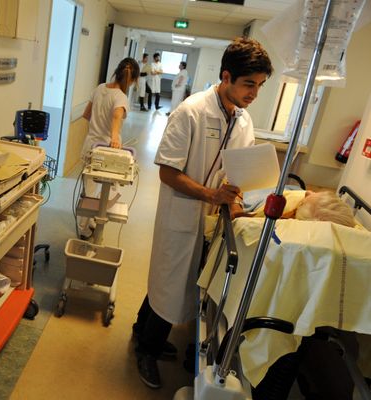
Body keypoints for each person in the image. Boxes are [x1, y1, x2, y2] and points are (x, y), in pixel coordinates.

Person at [133, 37, 273, 389]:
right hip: (181, 215)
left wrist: (237, 204)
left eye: (260, 85)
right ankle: (146, 352)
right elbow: (167, 171)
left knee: (172, 280)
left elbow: (239, 171)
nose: (254, 93)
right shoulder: (192, 111)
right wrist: (211, 193)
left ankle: (140, 331)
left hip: (212, 219)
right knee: (172, 281)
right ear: (226, 76)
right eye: (248, 84)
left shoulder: (243, 122)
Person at [77, 57, 140, 239]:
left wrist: (96, 128)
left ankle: (85, 227)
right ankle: (96, 219)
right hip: (106, 150)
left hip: (90, 145)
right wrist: (113, 137)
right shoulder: (121, 96)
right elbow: (117, 116)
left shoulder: (100, 88)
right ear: (133, 79)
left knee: (88, 190)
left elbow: (86, 114)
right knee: (112, 189)